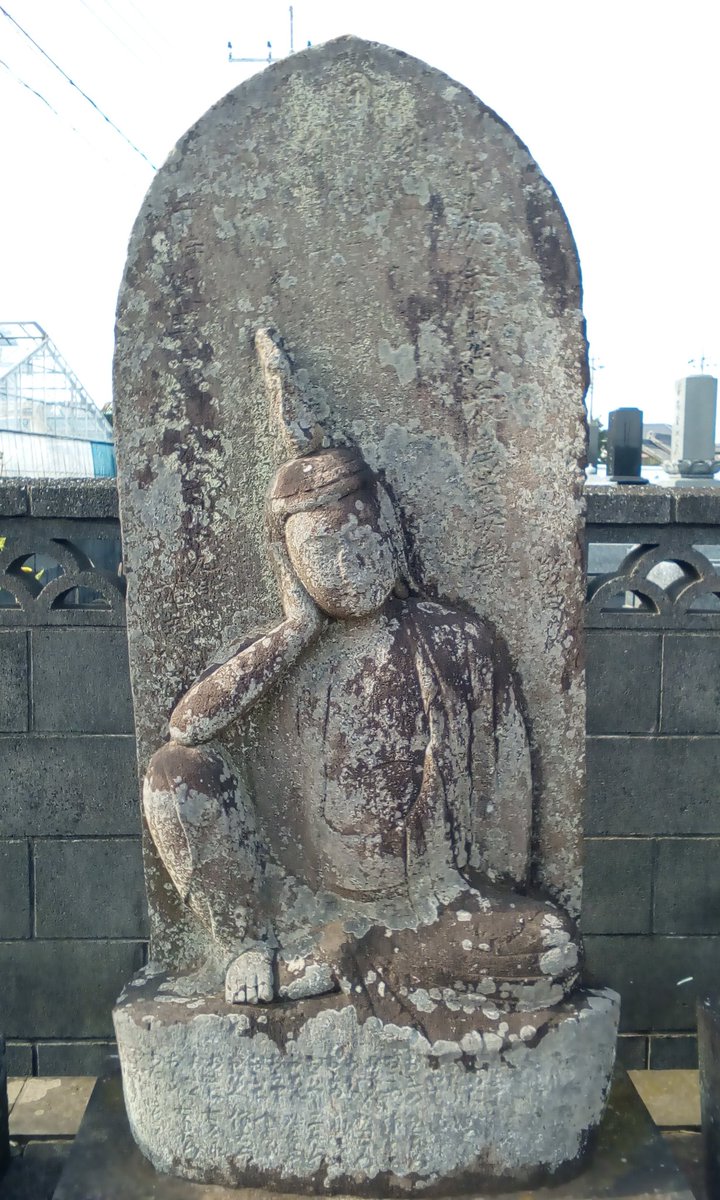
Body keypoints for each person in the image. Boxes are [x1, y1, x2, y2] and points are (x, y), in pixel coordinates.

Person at [144, 330, 579, 1005]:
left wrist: (484, 893)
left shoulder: (456, 642)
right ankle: (252, 946)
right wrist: (292, 634)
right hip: (295, 896)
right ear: (290, 567)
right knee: (173, 775)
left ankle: (353, 956)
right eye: (324, 553)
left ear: (394, 533)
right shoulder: (284, 656)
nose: (350, 566)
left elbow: (506, 802)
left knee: (549, 947)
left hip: (431, 905)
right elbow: (186, 727)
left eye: (362, 539)